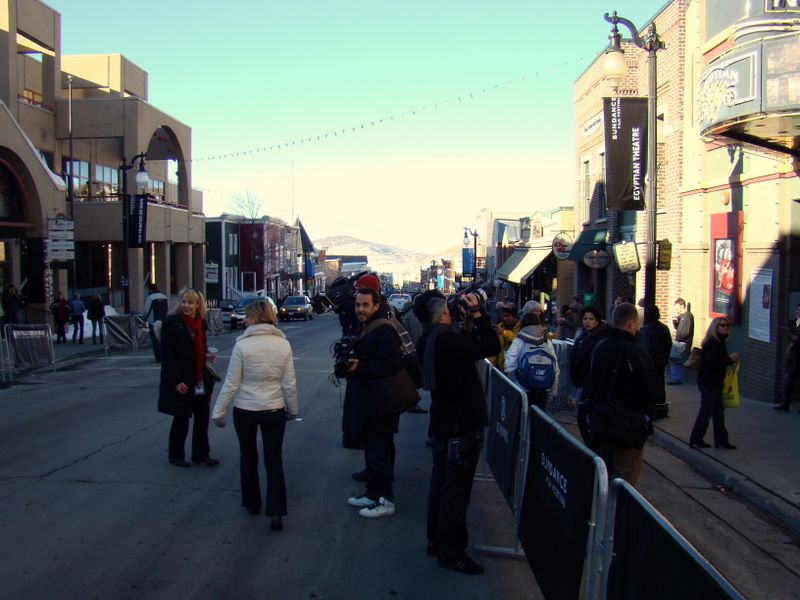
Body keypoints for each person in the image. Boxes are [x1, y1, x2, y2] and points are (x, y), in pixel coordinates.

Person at [416, 289, 500, 575]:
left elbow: (464, 349)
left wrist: (467, 323)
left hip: (442, 422)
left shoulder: (429, 338)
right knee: (455, 492)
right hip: (459, 425)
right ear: (442, 314)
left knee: (440, 484)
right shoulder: (447, 340)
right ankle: (452, 551)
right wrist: (478, 315)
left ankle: (435, 539)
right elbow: (490, 345)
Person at [211, 299, 298, 530]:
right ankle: (276, 509)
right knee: (274, 459)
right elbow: (289, 383)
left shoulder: (242, 346)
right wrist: (293, 409)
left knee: (248, 456)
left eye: (248, 316)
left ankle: (252, 502)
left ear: (256, 318)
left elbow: (231, 383)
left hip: (245, 410)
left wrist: (218, 411)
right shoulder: (283, 345)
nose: (245, 320)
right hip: (274, 408)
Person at [585, 302, 662, 486]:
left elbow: (590, 382)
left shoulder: (600, 347)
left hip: (602, 421)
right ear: (631, 323)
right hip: (627, 425)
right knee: (623, 482)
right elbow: (656, 391)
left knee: (603, 478)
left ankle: (602, 504)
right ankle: (616, 505)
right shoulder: (636, 351)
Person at [344, 288, 403, 518]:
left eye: (365, 305)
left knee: (380, 453)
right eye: (358, 305)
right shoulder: (365, 327)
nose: (360, 309)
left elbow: (390, 364)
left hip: (381, 403)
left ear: (376, 306)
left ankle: (385, 500)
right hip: (367, 401)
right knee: (371, 450)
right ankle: (372, 494)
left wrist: (361, 367)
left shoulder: (384, 329)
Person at [157, 288, 219, 468]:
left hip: (199, 379)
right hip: (182, 380)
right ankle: (176, 456)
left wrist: (207, 357)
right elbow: (169, 358)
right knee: (181, 418)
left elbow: (198, 350)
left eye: (190, 302)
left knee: (202, 417)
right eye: (184, 302)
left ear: (198, 305)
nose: (186, 305)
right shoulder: (172, 325)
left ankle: (201, 454)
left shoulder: (200, 324)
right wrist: (177, 382)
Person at [689, 317, 738, 449]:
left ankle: (721, 440)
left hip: (715, 382)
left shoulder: (720, 342)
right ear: (715, 328)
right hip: (709, 383)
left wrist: (729, 359)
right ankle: (696, 438)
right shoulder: (712, 343)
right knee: (707, 411)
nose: (726, 327)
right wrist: (729, 359)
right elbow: (713, 364)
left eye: (727, 325)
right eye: (722, 325)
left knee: (718, 412)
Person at [570, 306, 611, 447]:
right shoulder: (583, 337)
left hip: (592, 384)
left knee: (585, 416)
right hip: (583, 382)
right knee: (582, 416)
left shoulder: (600, 339)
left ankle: (593, 446)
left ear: (597, 321)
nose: (587, 322)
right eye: (585, 319)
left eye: (591, 319)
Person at [504, 312, 559, 411]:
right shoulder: (546, 340)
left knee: (523, 415)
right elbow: (555, 366)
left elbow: (509, 363)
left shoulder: (519, 340)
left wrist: (513, 383)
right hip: (543, 387)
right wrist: (553, 389)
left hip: (522, 387)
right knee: (539, 416)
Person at [637, 305, 673, 390]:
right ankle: (661, 396)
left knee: (651, 383)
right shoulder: (665, 328)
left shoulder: (646, 330)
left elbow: (645, 347)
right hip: (661, 360)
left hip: (650, 361)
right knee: (660, 379)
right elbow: (669, 343)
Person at [775, 304, 800, 412]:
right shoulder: (792, 322)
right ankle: (785, 404)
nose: (798, 312)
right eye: (798, 309)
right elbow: (789, 336)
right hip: (792, 357)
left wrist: (796, 339)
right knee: (788, 381)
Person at [668, 298, 694, 385]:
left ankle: (677, 378)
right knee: (674, 359)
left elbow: (686, 331)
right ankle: (676, 378)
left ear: (682, 306)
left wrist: (680, 339)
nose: (676, 309)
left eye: (677, 307)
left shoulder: (688, 316)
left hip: (682, 343)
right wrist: (674, 322)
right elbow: (678, 328)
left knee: (677, 358)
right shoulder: (681, 316)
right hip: (679, 342)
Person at [143, 283, 169, 363]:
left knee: (155, 341)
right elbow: (167, 309)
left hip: (153, 322)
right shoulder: (164, 297)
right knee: (163, 340)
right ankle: (165, 357)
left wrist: (144, 319)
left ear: (150, 289)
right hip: (164, 321)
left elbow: (146, 310)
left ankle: (158, 358)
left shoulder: (150, 298)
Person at [490, 303, 519, 371]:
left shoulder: (521, 327)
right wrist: (491, 366)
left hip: (515, 370)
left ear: (515, 316)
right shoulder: (500, 326)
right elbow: (494, 348)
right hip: (500, 369)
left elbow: (517, 341)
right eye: (503, 316)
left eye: (508, 316)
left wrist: (504, 332)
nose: (505, 318)